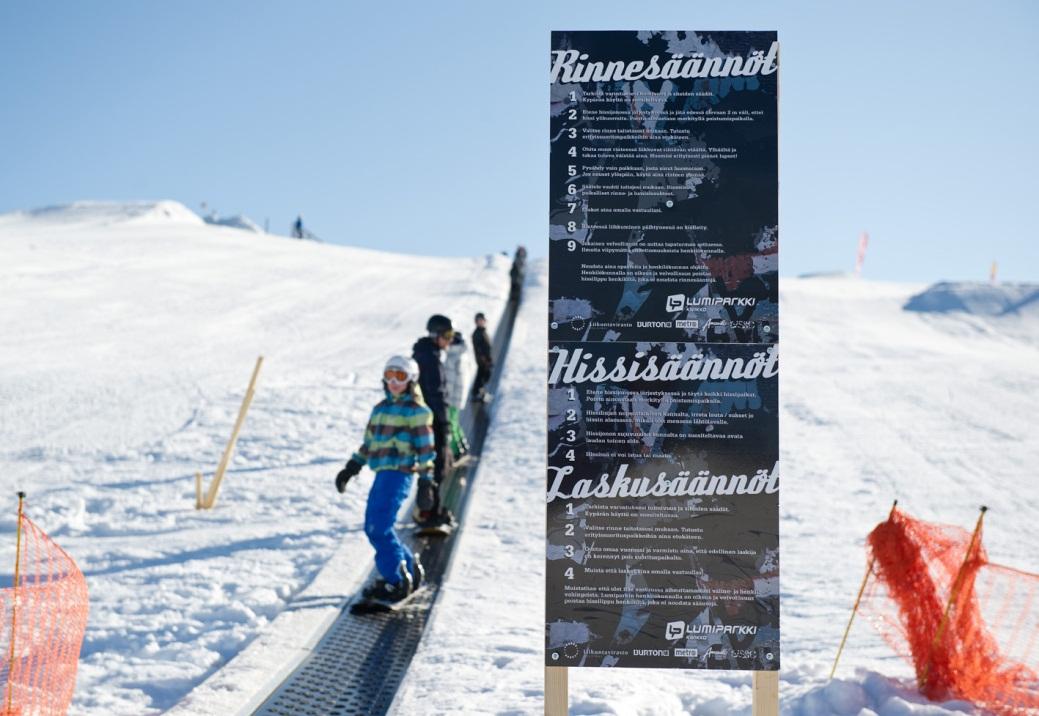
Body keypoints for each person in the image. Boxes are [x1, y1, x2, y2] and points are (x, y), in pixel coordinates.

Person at [334, 355, 431, 602]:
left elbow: (426, 451)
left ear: (411, 379)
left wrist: (426, 482)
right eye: (389, 375)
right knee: (377, 526)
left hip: (399, 475)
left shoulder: (417, 412)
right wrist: (352, 467)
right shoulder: (380, 409)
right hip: (381, 474)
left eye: (400, 376)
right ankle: (408, 567)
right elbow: (369, 444)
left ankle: (395, 580)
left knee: (378, 528)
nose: (393, 381)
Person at [412, 314, 455, 526]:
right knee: (437, 464)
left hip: (426, 419)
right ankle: (430, 512)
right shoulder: (429, 358)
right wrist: (445, 423)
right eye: (447, 335)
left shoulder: (427, 354)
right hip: (432, 420)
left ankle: (428, 508)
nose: (450, 340)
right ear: (435, 335)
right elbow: (436, 394)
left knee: (433, 464)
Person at [442, 330, 471, 459]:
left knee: (451, 424)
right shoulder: (462, 355)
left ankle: (456, 450)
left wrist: (445, 398)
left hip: (452, 397)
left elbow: (450, 380)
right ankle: (463, 444)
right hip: (459, 396)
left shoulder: (452, 357)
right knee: (455, 421)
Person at [471, 312, 493, 403]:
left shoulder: (483, 331)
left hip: (486, 359)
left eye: (482, 320)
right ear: (476, 322)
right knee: (482, 377)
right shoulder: (477, 333)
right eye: (479, 321)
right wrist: (485, 359)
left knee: (484, 376)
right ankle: (477, 393)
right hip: (482, 360)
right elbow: (479, 348)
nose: (481, 322)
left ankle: (480, 393)